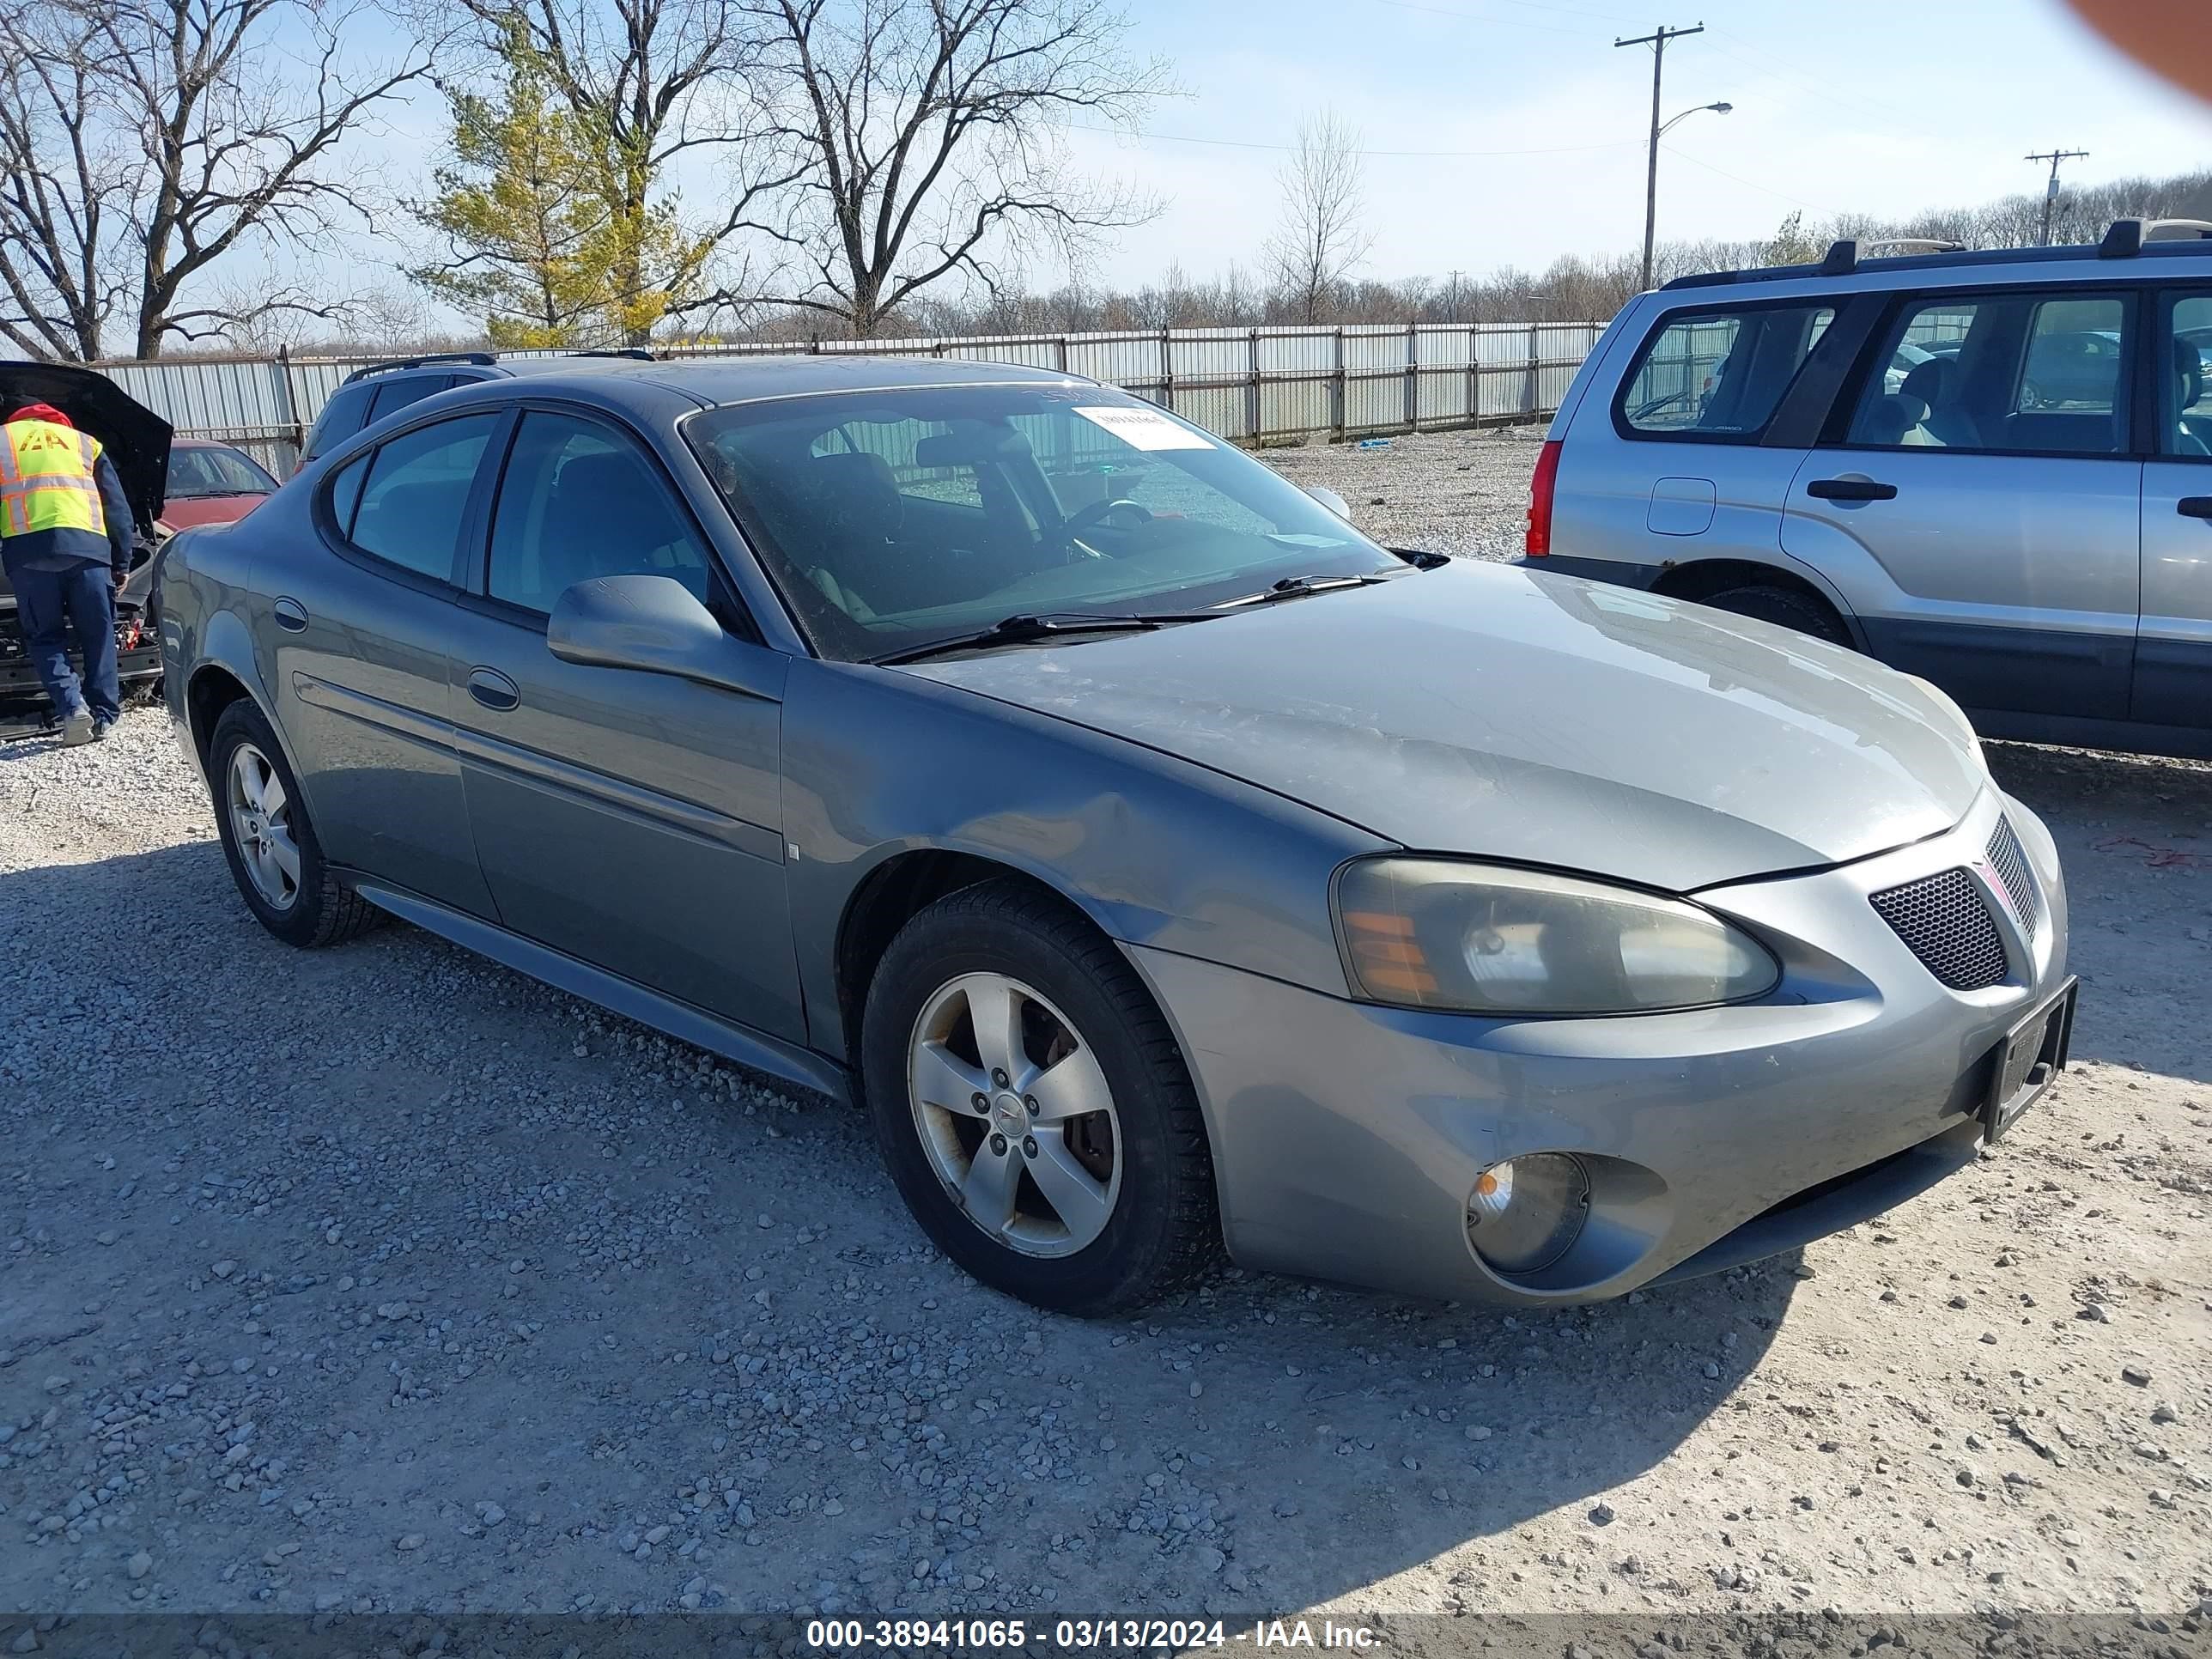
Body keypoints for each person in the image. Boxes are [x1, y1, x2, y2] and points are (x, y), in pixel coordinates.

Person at [0, 401, 134, 745]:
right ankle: (104, 716)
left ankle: (73, 708)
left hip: (30, 557)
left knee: (45, 637)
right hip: (88, 552)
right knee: (98, 636)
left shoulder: (3, 441)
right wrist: (121, 563)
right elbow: (116, 507)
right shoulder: (85, 443)